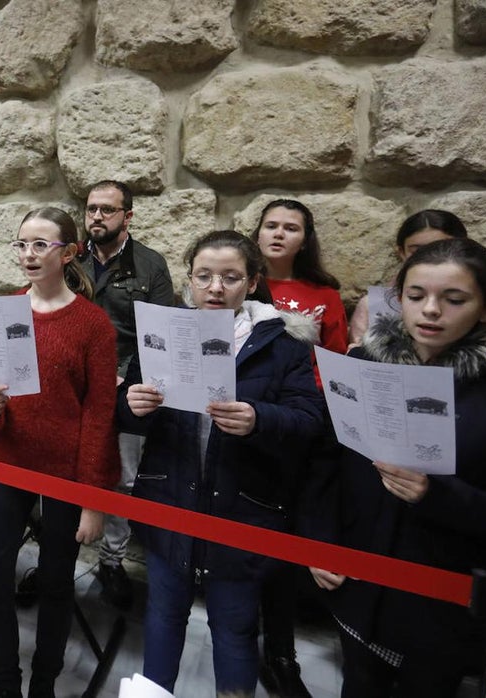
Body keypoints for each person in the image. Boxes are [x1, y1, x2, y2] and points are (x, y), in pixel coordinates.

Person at [304, 238, 486, 697]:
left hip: (443, 601)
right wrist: (320, 539)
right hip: (358, 580)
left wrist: (437, 495)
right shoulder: (365, 362)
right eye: (416, 296)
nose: (430, 311)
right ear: (397, 298)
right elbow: (326, 461)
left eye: (454, 299)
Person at [117, 231, 326, 697]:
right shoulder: (165, 333)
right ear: (189, 281)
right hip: (170, 496)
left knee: (233, 626)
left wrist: (258, 418)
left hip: (243, 506)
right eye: (204, 276)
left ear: (251, 283)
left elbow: (311, 419)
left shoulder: (282, 343)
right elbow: (126, 411)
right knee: (164, 613)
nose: (215, 288)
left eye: (230, 277)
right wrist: (133, 403)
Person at [0, 207, 119, 698]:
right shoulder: (6, 311)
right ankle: (5, 683)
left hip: (65, 473)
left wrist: (93, 496)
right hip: (11, 462)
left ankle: (44, 682)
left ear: (69, 252)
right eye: (21, 244)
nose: (29, 254)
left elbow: (100, 414)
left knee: (57, 581)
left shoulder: (92, 324)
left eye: (41, 244)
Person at [250, 199, 346, 695]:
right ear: (258, 232)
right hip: (245, 424)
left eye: (292, 228)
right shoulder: (238, 282)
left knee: (287, 538)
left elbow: (335, 368)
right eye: (271, 225)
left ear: (305, 238)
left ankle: (281, 650)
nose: (280, 234)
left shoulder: (324, 294)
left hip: (301, 426)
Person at [78, 179, 175, 610]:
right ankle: (57, 549)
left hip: (123, 387)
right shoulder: (69, 259)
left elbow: (160, 339)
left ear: (127, 216)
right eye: (91, 208)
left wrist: (125, 379)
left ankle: (112, 561)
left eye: (107, 210)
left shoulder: (151, 266)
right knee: (65, 469)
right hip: (71, 385)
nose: (96, 216)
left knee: (121, 478)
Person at [347, 210, 468, 347]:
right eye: (417, 251)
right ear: (401, 253)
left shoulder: (481, 302)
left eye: (441, 248)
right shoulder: (372, 305)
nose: (430, 258)